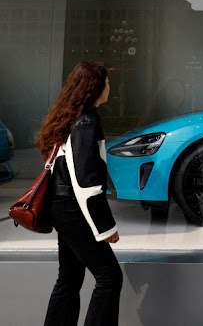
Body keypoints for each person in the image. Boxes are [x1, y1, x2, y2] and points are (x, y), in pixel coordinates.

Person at [36, 62, 122, 325]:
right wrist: (105, 227)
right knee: (109, 277)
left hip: (62, 207)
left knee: (70, 276)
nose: (110, 87)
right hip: (74, 209)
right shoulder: (86, 121)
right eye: (106, 82)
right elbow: (86, 183)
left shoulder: (70, 116)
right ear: (94, 87)